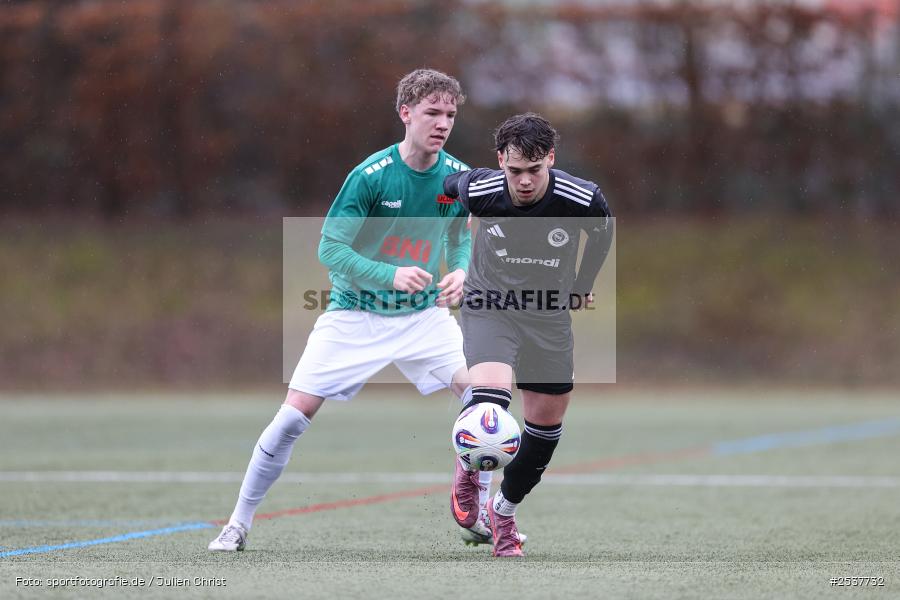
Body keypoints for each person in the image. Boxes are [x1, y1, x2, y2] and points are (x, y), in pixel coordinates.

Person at [209, 68, 492, 551]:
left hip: (423, 318)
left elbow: (456, 236)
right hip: (353, 315)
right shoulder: (370, 177)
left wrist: (461, 271)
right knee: (291, 419)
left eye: (450, 114)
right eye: (432, 112)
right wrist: (390, 274)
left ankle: (479, 515)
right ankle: (237, 522)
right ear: (406, 113)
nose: (442, 122)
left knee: (485, 405)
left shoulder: (455, 177)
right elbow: (330, 250)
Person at [443, 113, 613, 557]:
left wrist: (582, 285)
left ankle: (503, 512)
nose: (523, 181)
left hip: (548, 317)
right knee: (490, 408)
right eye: (514, 170)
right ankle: (468, 469)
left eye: (534, 171)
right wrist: (450, 251)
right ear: (500, 160)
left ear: (550, 160)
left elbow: (602, 230)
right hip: (489, 308)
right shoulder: (480, 188)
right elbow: (447, 185)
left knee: (544, 434)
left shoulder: (581, 197)